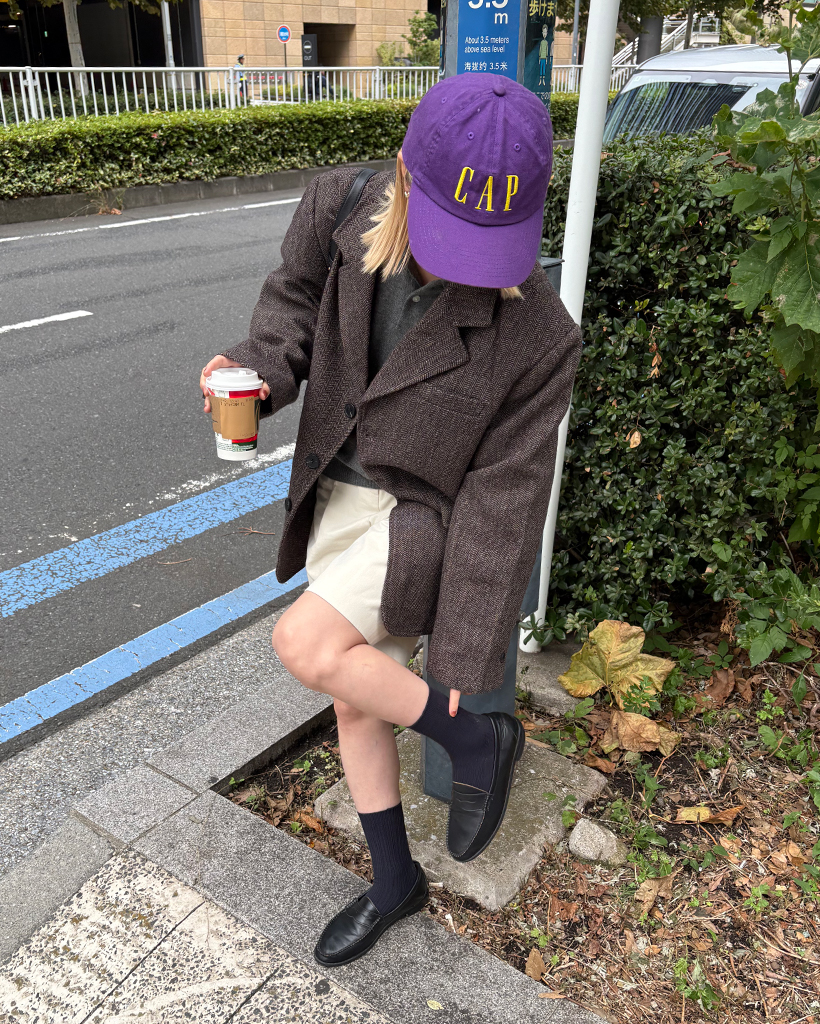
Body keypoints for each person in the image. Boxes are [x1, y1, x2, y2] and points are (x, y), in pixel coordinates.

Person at [200, 73, 580, 966]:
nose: (466, 266)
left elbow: (502, 506)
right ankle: (395, 880)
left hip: (420, 521)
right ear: (406, 174)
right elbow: (291, 307)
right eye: (454, 232)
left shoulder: (541, 335)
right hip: (336, 491)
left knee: (305, 645)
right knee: (354, 697)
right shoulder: (340, 205)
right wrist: (257, 371)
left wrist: (459, 675)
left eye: (491, 242)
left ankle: (474, 737)